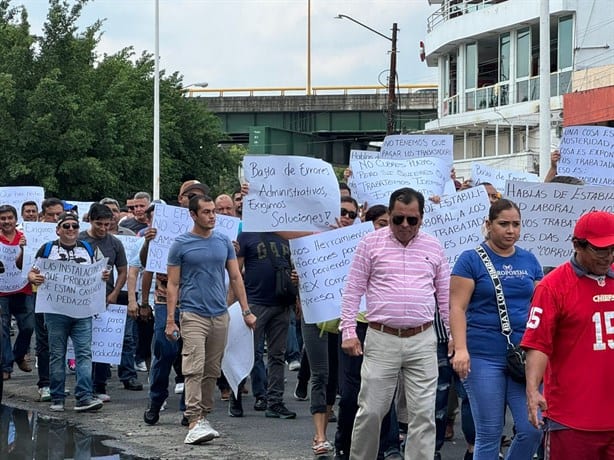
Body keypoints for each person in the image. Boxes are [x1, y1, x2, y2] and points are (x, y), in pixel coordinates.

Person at [340, 187, 450, 459]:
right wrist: (349, 331)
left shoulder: (434, 246)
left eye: (411, 220)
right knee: (372, 410)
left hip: (423, 339)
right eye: (398, 218)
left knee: (423, 415)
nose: (404, 225)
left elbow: (446, 297)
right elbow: (353, 289)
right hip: (381, 338)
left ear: (421, 218)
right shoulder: (370, 243)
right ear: (389, 216)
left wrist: (454, 337)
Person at [450, 199, 543, 459]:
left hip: (523, 356)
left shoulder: (529, 260)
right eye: (503, 224)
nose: (510, 230)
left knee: (533, 428)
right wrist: (460, 349)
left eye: (516, 224)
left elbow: (539, 306)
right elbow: (457, 308)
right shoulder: (470, 260)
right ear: (488, 225)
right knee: (490, 433)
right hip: (482, 355)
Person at [521, 211, 614, 459]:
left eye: (613, 248)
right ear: (576, 245)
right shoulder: (552, 287)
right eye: (600, 250)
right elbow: (538, 344)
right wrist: (532, 389)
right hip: (571, 420)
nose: (608, 257)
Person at [164, 195, 256, 445]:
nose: (212, 216)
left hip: (219, 315)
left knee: (212, 370)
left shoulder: (223, 241)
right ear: (193, 215)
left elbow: (236, 277)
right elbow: (172, 283)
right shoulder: (181, 244)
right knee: (193, 366)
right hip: (192, 314)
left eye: (214, 211)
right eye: (206, 212)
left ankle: (202, 415)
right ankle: (193, 419)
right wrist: (170, 320)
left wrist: (246, 311)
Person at [27, 212, 106, 412]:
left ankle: (84, 397)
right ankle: (57, 397)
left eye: (74, 226)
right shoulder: (47, 249)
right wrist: (32, 278)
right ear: (58, 229)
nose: (71, 230)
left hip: (83, 311)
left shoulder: (88, 248)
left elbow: (100, 270)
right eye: (66, 226)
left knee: (84, 353)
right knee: (57, 354)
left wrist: (103, 275)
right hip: (55, 311)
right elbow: (32, 271)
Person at [80, 204, 142, 400]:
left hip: (106, 298)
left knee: (104, 343)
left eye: (107, 224)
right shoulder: (79, 239)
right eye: (99, 224)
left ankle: (100, 385)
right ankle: (85, 386)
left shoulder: (115, 243)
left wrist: (115, 292)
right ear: (90, 219)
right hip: (81, 299)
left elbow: (123, 270)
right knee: (84, 344)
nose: (103, 229)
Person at [233, 230, 297, 419]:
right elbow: (236, 273)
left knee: (277, 355)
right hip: (255, 303)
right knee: (247, 353)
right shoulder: (246, 235)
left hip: (281, 302)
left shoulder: (286, 236)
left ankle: (275, 401)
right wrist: (239, 305)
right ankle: (236, 397)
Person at [0, 204, 33, 381]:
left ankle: (18, 355)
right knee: (2, 330)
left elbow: (25, 263)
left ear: (16, 219)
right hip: (1, 292)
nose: (6, 221)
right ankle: (5, 366)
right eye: (3, 218)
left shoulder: (25, 237)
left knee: (28, 327)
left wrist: (24, 249)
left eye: (9, 218)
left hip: (23, 288)